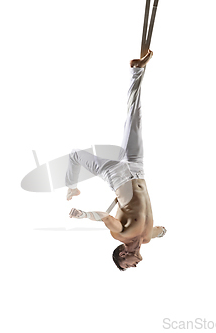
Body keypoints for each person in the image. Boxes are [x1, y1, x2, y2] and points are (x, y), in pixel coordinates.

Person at [64, 49, 166, 271]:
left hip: (117, 176)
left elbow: (104, 217)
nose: (134, 265)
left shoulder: (120, 234)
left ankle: (71, 187)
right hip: (138, 169)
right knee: (135, 119)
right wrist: (161, 233)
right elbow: (160, 230)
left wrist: (83, 215)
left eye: (128, 265)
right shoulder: (147, 238)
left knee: (74, 155)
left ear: (122, 254)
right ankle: (137, 70)